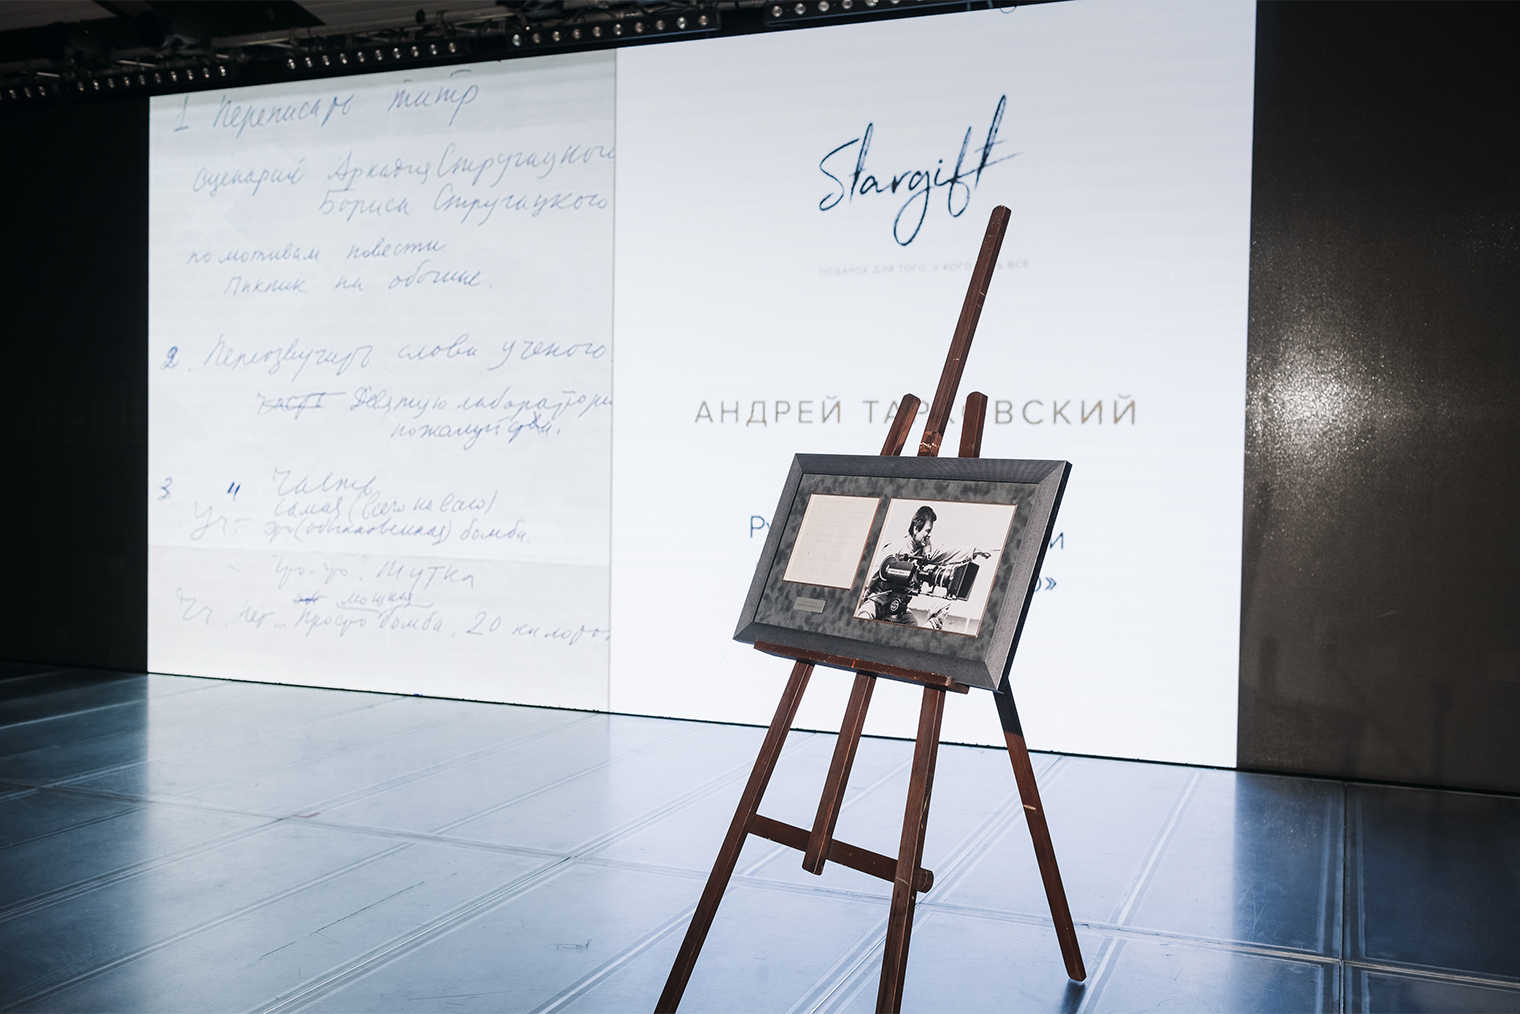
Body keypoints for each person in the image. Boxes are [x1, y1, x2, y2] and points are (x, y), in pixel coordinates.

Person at [855, 505, 989, 627]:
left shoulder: (926, 552)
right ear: (916, 529)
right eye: (927, 531)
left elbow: (948, 551)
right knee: (863, 618)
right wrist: (862, 600)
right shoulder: (894, 548)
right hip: (878, 601)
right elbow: (870, 576)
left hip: (900, 605)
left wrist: (975, 551)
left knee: (912, 625)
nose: (929, 535)